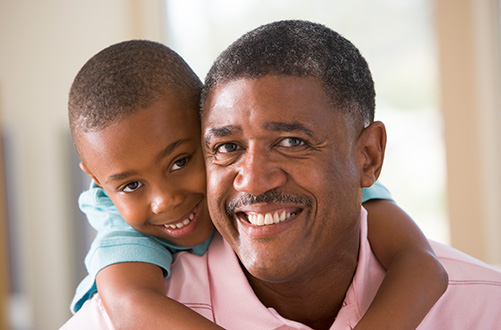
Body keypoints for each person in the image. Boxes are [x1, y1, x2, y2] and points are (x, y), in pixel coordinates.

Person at [62, 35, 451, 329]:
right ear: (97, 182)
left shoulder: (334, 182)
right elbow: (131, 306)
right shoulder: (122, 231)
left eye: (181, 161)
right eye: (130, 186)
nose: (164, 200)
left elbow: (422, 265)